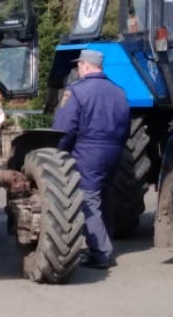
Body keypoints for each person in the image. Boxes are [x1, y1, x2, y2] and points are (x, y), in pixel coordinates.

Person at [53, 49, 131, 269]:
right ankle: (106, 241)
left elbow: (64, 129)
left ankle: (101, 252)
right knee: (104, 195)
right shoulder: (119, 92)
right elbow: (126, 127)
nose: (78, 69)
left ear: (86, 66)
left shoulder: (76, 92)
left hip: (87, 151)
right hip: (115, 150)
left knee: (87, 200)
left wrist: (58, 151)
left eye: (79, 65)